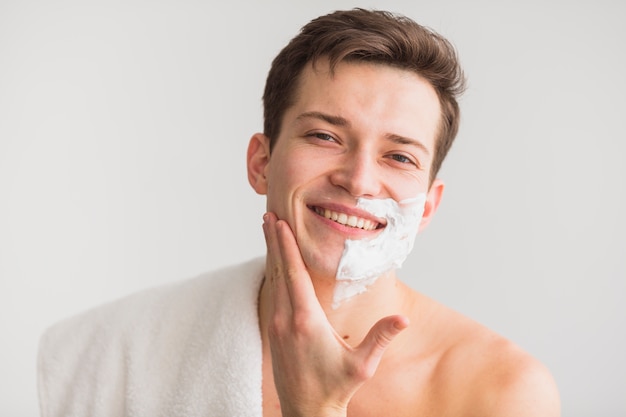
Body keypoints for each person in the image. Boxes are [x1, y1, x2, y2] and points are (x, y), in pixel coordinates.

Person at [38, 8, 560, 417]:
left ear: (427, 206)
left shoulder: (501, 392)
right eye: (324, 136)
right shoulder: (111, 352)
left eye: (399, 156)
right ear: (261, 163)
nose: (357, 180)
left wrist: (317, 410)